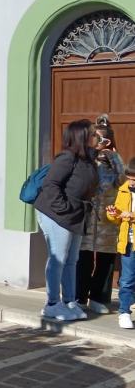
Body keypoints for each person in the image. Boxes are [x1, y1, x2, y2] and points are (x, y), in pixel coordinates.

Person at [33, 119, 99, 321]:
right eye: (93, 134)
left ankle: (69, 301)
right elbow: (51, 186)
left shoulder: (87, 159)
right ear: (82, 137)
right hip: (56, 214)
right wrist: (65, 209)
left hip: (76, 215)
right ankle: (52, 304)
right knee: (58, 258)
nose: (97, 137)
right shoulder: (66, 158)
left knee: (72, 260)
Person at [77, 115, 124, 314]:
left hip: (107, 219)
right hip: (86, 217)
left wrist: (113, 160)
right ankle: (79, 297)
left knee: (105, 260)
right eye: (98, 139)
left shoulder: (115, 159)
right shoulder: (84, 157)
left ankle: (99, 298)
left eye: (105, 140)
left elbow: (123, 182)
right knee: (83, 258)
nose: (101, 144)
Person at [106, 159, 135, 328]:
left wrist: (132, 215)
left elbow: (130, 215)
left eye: (134, 180)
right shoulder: (123, 191)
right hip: (128, 243)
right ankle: (124, 312)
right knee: (127, 279)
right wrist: (113, 214)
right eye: (129, 178)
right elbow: (116, 219)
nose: (131, 182)